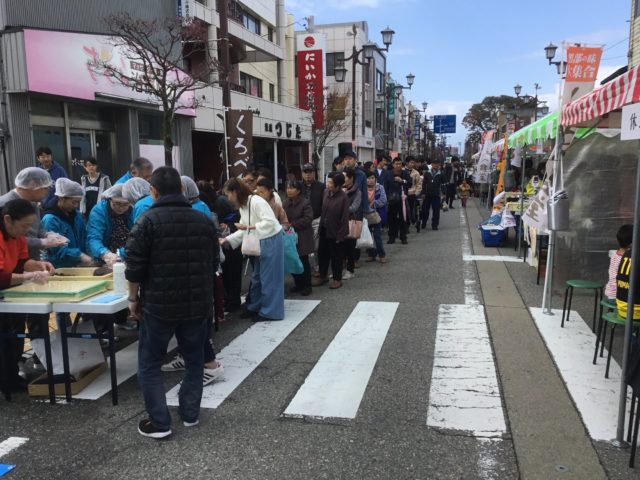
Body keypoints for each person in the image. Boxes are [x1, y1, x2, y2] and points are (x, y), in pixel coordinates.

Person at [125, 166, 219, 438]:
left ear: (153, 191)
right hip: (197, 304)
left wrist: (133, 299)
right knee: (194, 360)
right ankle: (190, 415)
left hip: (159, 306)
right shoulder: (203, 221)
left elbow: (134, 269)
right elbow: (214, 262)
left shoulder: (146, 221)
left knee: (150, 364)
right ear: (181, 189)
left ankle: (160, 423)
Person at [0, 199, 55, 394]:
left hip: (8, 295)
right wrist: (29, 276)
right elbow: (2, 277)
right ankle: (6, 380)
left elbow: (23, 261)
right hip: (4, 290)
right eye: (24, 225)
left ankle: (11, 378)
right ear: (7, 220)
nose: (26, 230)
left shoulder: (18, 236)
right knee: (4, 340)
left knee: (13, 336)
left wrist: (39, 266)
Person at [221, 178, 284, 321]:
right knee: (257, 277)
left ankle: (270, 312)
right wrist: (227, 240)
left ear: (235, 192)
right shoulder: (245, 204)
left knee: (269, 279)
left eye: (228, 194)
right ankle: (255, 307)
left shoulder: (256, 201)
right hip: (261, 240)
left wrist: (249, 228)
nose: (228, 198)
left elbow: (270, 222)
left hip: (271, 239)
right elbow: (244, 228)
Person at [41, 179, 92, 268]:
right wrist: (79, 255)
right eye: (73, 202)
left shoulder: (77, 216)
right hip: (57, 267)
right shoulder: (50, 219)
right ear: (61, 198)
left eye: (78, 202)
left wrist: (89, 253)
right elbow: (56, 250)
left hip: (77, 265)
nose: (76, 206)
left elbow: (85, 237)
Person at [314, 172, 349, 290]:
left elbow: (344, 219)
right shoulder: (325, 193)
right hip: (324, 228)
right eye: (327, 181)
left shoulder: (343, 197)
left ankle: (337, 279)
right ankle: (323, 275)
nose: (327, 184)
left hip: (336, 231)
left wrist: (341, 235)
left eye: (330, 182)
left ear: (338, 185)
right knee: (322, 253)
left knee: (336, 256)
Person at [283, 180, 314, 296]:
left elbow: (308, 218)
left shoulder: (305, 203)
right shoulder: (285, 203)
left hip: (302, 235)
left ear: (299, 191)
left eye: (292, 188)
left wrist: (292, 224)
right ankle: (298, 284)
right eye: (287, 188)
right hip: (289, 236)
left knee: (303, 261)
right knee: (292, 259)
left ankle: (307, 285)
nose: (289, 190)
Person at [342, 168, 362, 279]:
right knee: (339, 248)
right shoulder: (338, 189)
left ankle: (350, 270)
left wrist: (340, 207)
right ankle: (340, 270)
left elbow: (354, 207)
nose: (342, 179)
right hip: (339, 223)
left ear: (351, 178)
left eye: (345, 177)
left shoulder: (357, 191)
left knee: (350, 247)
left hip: (351, 222)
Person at [385, 158, 410, 245]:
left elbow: (409, 183)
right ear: (393, 164)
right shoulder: (388, 174)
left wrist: (402, 181)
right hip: (391, 200)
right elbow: (385, 186)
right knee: (392, 219)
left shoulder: (405, 173)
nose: (398, 165)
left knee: (403, 218)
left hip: (402, 199)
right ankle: (392, 237)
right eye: (396, 164)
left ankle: (403, 237)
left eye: (399, 164)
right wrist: (387, 197)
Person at [606, 225, 633, 301]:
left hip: (611, 294)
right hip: (620, 296)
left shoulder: (615, 254)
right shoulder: (627, 259)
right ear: (631, 244)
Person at [365, 171, 387, 263]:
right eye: (368, 178)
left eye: (372, 178)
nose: (371, 180)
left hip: (377, 215)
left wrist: (373, 203)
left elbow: (383, 200)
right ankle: (371, 254)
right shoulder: (362, 188)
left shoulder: (380, 187)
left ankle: (381, 255)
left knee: (377, 236)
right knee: (368, 236)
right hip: (365, 215)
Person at [421, 159, 445, 231]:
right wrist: (423, 193)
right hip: (427, 195)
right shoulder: (427, 173)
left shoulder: (441, 173)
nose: (436, 165)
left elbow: (444, 184)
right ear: (431, 164)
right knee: (425, 210)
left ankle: (435, 225)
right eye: (434, 164)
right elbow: (424, 184)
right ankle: (423, 223)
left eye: (437, 164)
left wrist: (444, 193)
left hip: (436, 195)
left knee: (436, 211)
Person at [406, 157, 422, 233]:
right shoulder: (402, 171)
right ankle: (406, 226)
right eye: (411, 162)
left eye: (413, 163)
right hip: (403, 194)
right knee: (405, 211)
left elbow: (419, 184)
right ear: (407, 163)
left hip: (412, 194)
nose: (412, 164)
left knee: (412, 211)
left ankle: (416, 222)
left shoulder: (416, 173)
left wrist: (416, 193)